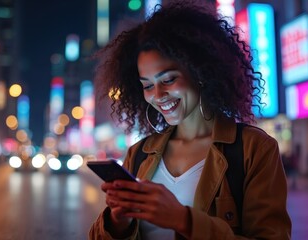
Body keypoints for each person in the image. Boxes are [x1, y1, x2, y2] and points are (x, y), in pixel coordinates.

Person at [89, 1, 291, 239]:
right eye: (147, 85)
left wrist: (183, 220)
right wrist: (117, 220)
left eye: (169, 80)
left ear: (200, 73)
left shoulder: (254, 149)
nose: (157, 95)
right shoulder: (139, 153)